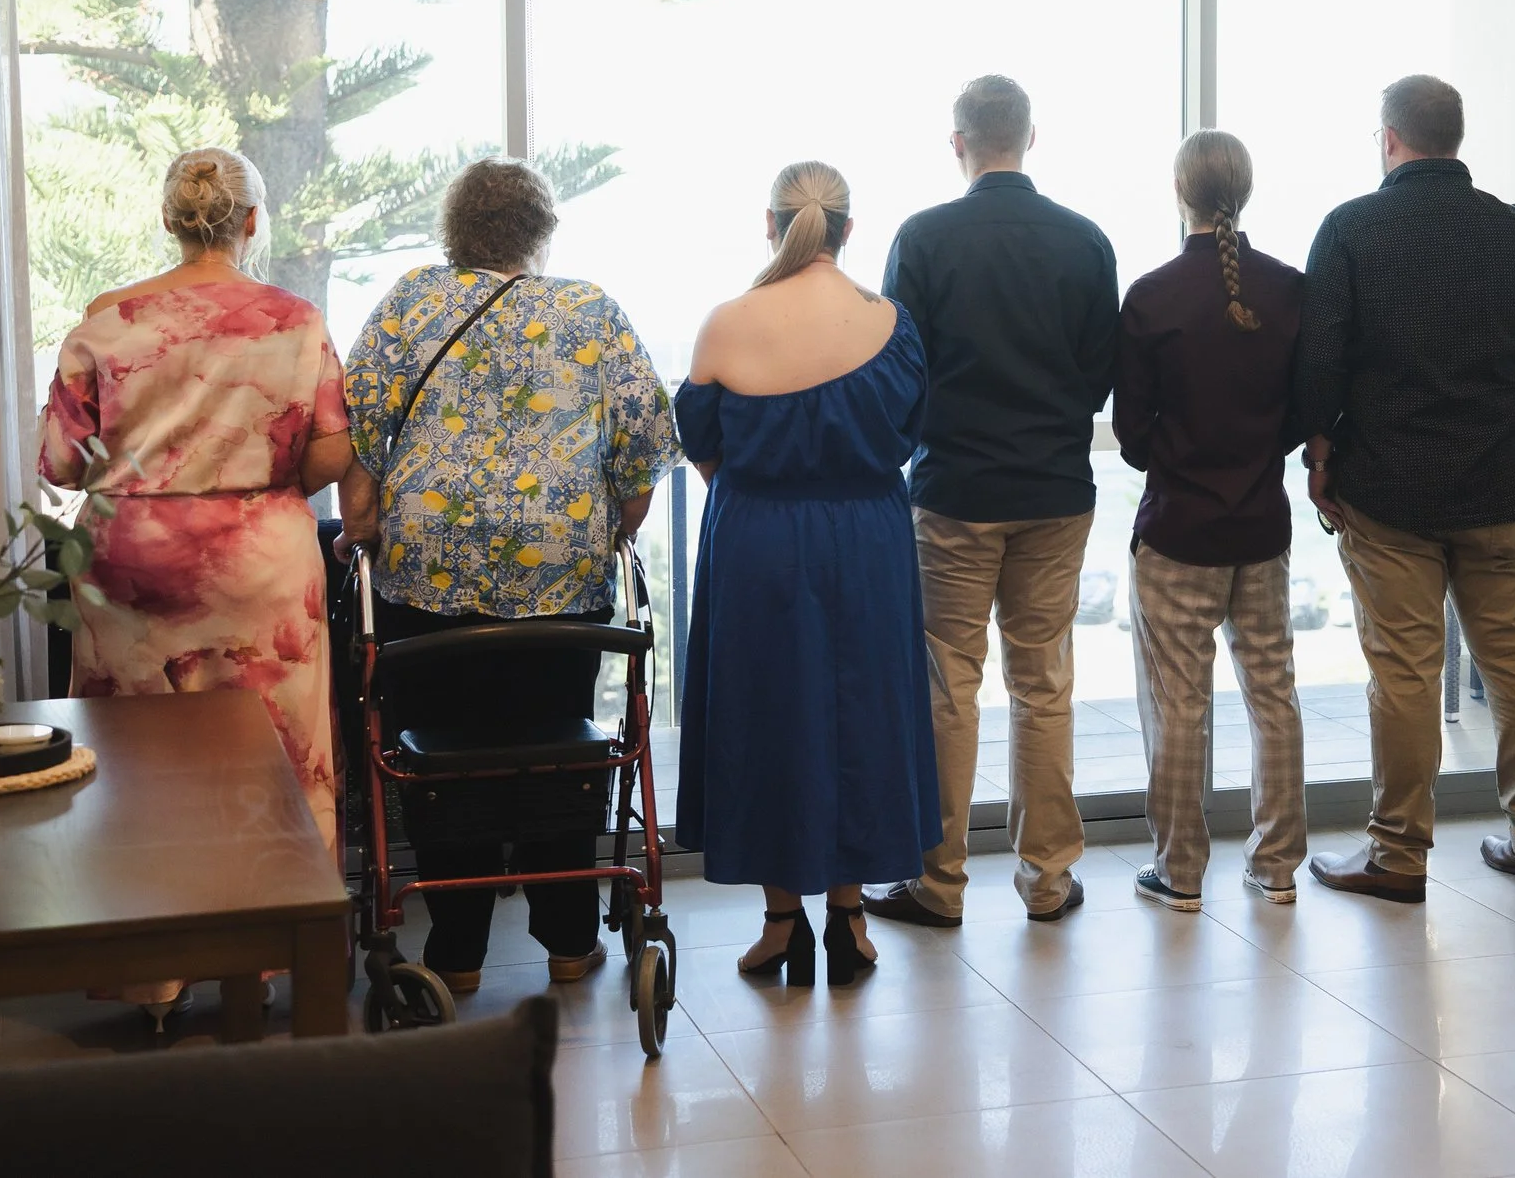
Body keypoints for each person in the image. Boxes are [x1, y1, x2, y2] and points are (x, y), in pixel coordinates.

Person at [337, 158, 675, 997]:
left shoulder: (411, 301)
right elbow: (640, 458)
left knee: (441, 759)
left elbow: (358, 435)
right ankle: (568, 940)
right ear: (542, 231)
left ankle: (455, 952)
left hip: (426, 578)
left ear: (455, 230)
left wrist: (367, 528)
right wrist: (598, 526)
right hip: (561, 580)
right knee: (556, 745)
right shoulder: (589, 309)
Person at [38, 147, 351, 1025]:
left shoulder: (105, 323)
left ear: (169, 221)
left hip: (130, 570)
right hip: (260, 566)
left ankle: (153, 980)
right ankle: (265, 956)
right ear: (251, 221)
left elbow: (59, 462)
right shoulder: (295, 320)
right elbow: (330, 451)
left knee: (139, 768)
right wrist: (267, 476)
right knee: (274, 761)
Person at [1294, 74, 1515, 902]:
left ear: (1389, 138)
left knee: (1406, 673)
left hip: (1389, 488)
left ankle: (1398, 852)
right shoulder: (1511, 230)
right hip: (1495, 479)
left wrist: (1318, 453)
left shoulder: (1350, 228)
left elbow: (1321, 359)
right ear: (1456, 137)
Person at [863, 74, 1119, 928]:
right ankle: (1048, 879)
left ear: (958, 142)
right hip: (1055, 489)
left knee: (949, 686)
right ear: (1030, 137)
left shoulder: (924, 237)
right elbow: (1099, 372)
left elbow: (899, 368)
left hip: (956, 491)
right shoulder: (1085, 240)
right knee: (1043, 684)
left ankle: (938, 883)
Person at [676, 162, 939, 987]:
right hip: (869, 539)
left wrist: (765, 489)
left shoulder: (726, 324)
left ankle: (780, 921)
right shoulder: (892, 323)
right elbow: (911, 430)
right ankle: (850, 919)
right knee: (863, 713)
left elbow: (703, 445)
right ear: (848, 229)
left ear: (771, 223)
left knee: (767, 714)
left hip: (757, 537)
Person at [1113, 130, 1308, 910]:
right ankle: (1278, 866)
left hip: (1178, 532)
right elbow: (1301, 412)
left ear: (1178, 191)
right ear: (1245, 192)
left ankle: (1181, 870)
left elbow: (1132, 435)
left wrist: (1181, 455)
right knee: (1274, 696)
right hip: (1261, 526)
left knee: (1179, 708)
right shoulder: (1290, 290)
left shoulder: (1152, 296)